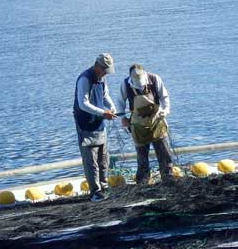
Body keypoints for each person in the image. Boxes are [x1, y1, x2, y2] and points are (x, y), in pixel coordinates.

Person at [73, 53, 117, 201]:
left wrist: (111, 107)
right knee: (91, 161)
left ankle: (104, 187)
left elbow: (105, 96)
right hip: (86, 125)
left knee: (103, 158)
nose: (105, 73)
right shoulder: (85, 79)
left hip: (99, 124)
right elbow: (83, 104)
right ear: (97, 66)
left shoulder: (102, 78)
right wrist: (103, 113)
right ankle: (95, 192)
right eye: (104, 70)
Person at [119, 64, 173, 184]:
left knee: (164, 152)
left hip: (157, 121)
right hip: (138, 125)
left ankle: (168, 179)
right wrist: (123, 117)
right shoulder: (125, 85)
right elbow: (120, 101)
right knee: (142, 156)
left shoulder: (154, 79)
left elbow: (164, 97)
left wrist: (165, 111)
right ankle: (143, 182)